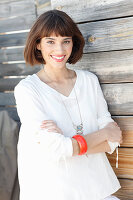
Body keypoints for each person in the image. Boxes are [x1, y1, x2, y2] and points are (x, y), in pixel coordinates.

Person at [14, 10, 122, 200]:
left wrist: (71, 144)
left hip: (96, 190)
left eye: (66, 41)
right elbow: (54, 148)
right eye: (50, 41)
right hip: (52, 192)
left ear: (74, 42)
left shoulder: (89, 81)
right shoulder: (27, 89)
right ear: (38, 44)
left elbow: (113, 140)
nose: (60, 50)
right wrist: (102, 135)